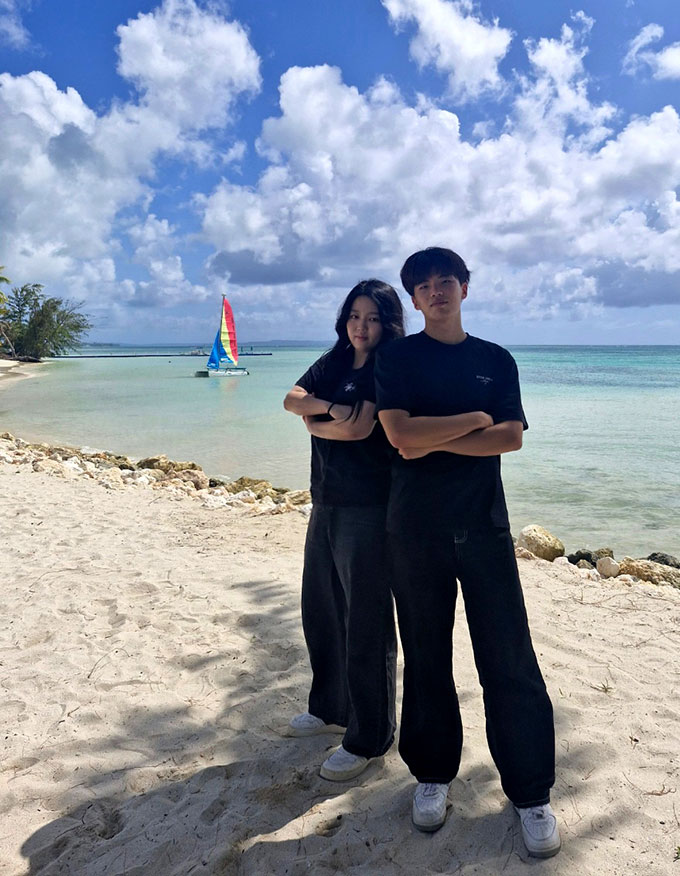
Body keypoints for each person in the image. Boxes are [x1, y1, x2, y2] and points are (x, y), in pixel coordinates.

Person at [374, 248, 560, 858]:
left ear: (465, 288)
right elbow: (400, 436)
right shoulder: (397, 356)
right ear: (415, 299)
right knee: (427, 657)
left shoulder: (494, 359)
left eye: (446, 281)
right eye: (424, 286)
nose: (437, 292)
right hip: (415, 529)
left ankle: (531, 792)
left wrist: (441, 433)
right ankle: (432, 776)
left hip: (484, 529)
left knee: (508, 658)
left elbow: (510, 439)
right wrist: (473, 420)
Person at [283, 279, 405, 782]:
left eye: (372, 317)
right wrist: (329, 409)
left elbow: (361, 430)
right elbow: (292, 401)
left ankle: (369, 735)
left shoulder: (388, 368)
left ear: (388, 323)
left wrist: (319, 420)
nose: (361, 326)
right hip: (325, 501)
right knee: (324, 608)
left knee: (367, 622)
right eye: (355, 315)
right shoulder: (333, 361)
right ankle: (331, 709)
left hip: (369, 508)